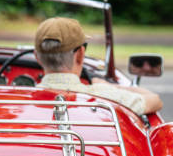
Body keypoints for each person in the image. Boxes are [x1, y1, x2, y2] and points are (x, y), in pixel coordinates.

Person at [34, 17, 163, 116]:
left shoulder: (19, 97)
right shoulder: (102, 94)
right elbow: (155, 100)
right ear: (80, 54)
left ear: (37, 57)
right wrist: (112, 86)